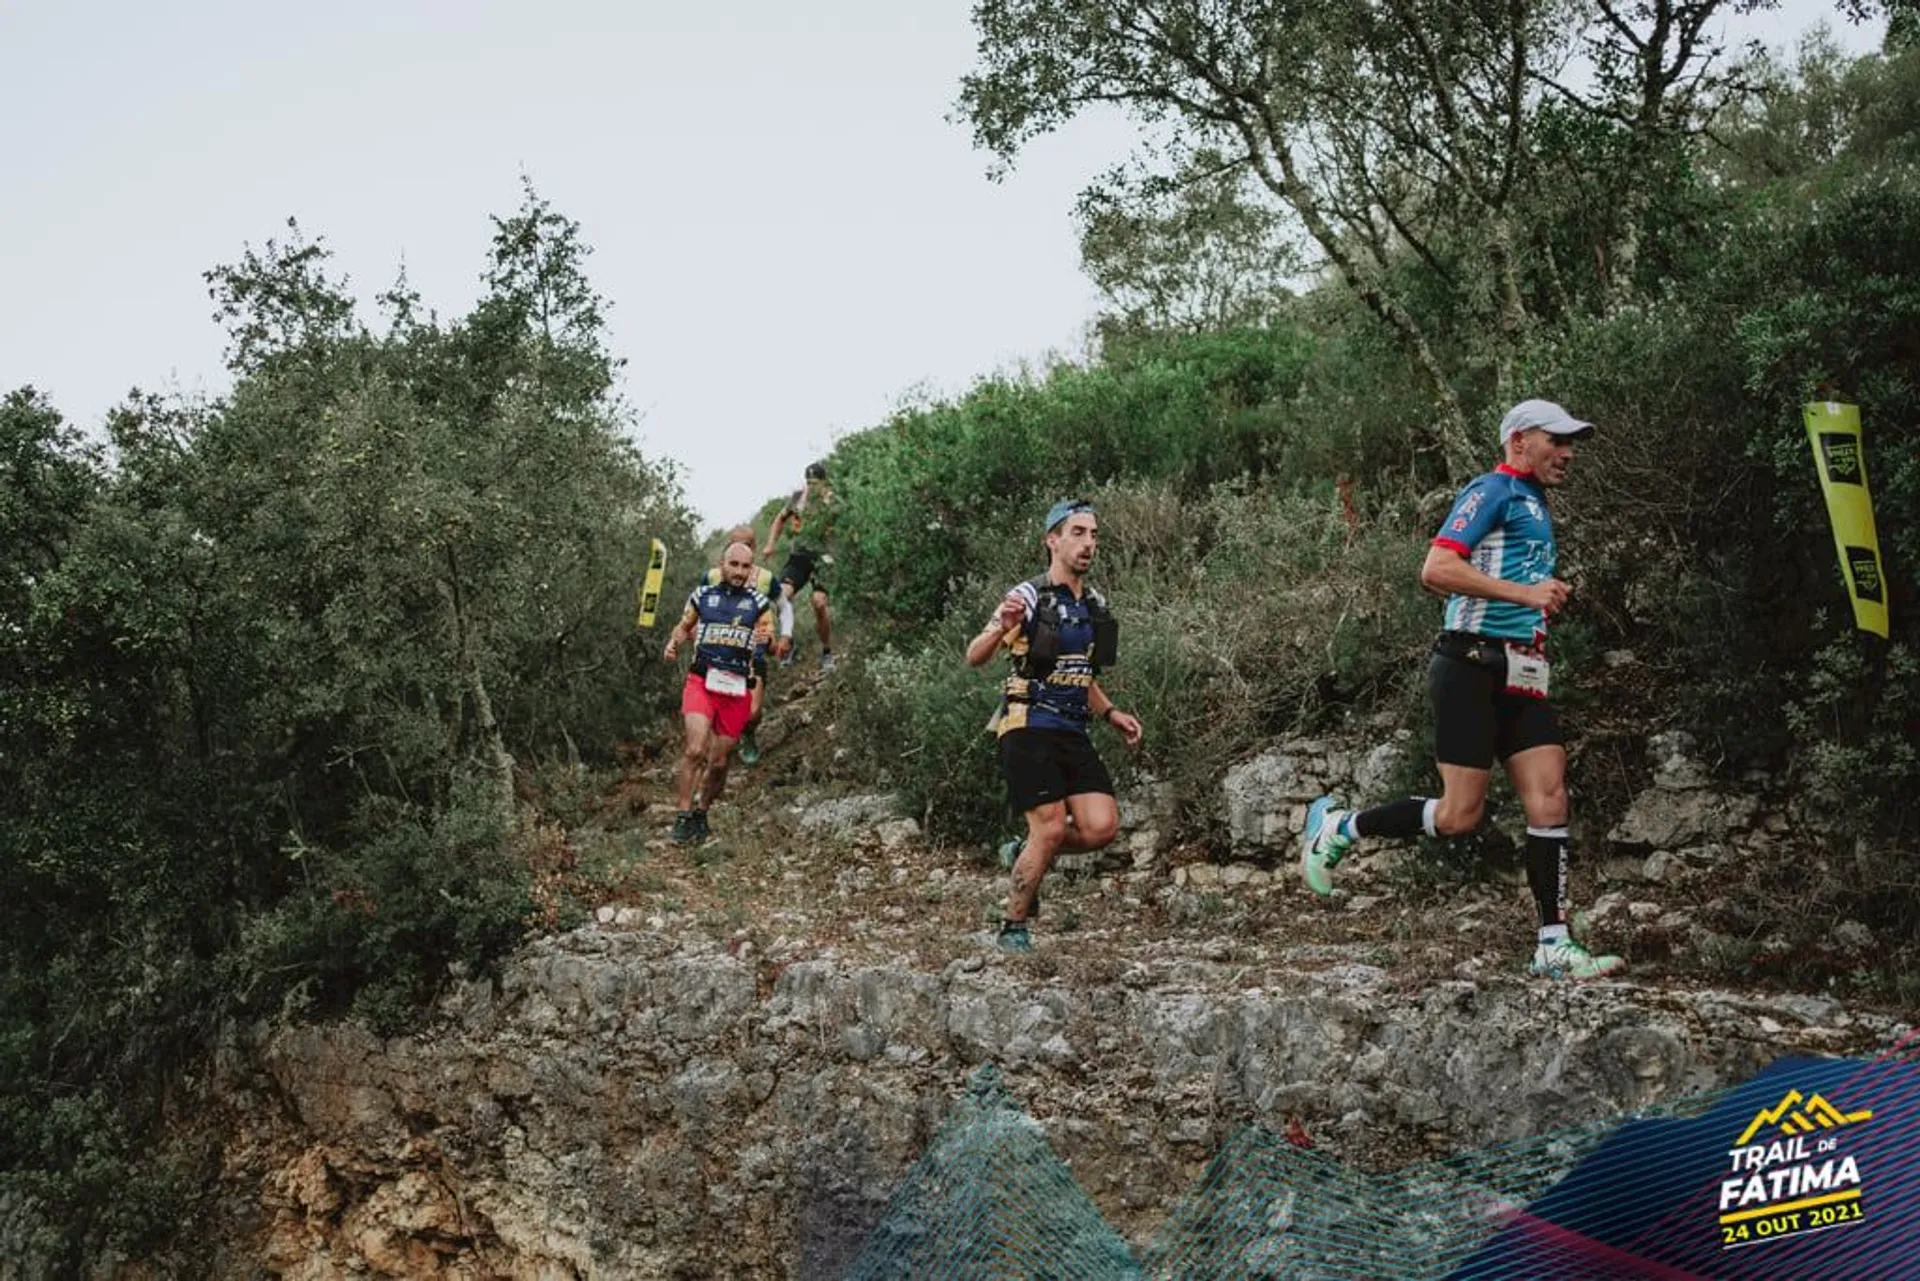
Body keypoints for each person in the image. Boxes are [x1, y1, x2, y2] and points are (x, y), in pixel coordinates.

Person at [1301, 399, 1625, 981]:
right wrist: (1527, 596)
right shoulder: (1492, 490)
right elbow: (1436, 569)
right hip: (1468, 665)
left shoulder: (1536, 502)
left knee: (1551, 799)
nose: (1569, 453)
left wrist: (1539, 605)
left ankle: (1553, 943)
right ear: (1520, 440)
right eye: (1559, 440)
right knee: (1457, 816)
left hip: (1521, 672)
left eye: (1573, 441)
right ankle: (1342, 826)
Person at [966, 498, 1143, 953]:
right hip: (1027, 724)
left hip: (1073, 729)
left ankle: (1023, 853)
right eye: (1078, 533)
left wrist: (1110, 712)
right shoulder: (1027, 597)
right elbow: (974, 657)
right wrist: (998, 628)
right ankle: (1013, 927)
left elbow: (1080, 675)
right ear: (1053, 540)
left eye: (1094, 535)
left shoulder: (1096, 604)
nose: (1089, 544)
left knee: (1102, 827)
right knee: (1047, 829)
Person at [664, 540, 774, 843]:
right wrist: (674, 642)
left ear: (751, 570)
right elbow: (683, 627)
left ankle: (701, 812)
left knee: (720, 763)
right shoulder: (703, 595)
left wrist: (767, 641)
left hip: (736, 688)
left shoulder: (759, 603)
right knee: (695, 749)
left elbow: (772, 645)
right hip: (702, 681)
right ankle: (682, 816)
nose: (739, 572)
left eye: (745, 566)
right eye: (733, 564)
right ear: (721, 565)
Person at [706, 524, 793, 765]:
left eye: (746, 546)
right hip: (720, 651)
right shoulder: (713, 576)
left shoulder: (765, 579)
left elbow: (785, 606)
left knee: (753, 712)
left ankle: (749, 733)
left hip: (755, 652)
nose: (741, 551)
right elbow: (694, 605)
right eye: (735, 545)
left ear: (754, 548)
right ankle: (718, 750)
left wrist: (785, 635)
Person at [764, 461, 838, 672]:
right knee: (781, 596)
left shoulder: (833, 502)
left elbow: (847, 528)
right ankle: (791, 643)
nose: (811, 487)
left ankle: (827, 652)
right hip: (799, 558)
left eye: (815, 483)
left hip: (823, 558)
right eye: (808, 482)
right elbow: (780, 519)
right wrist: (771, 544)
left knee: (819, 603)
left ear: (824, 482)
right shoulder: (797, 498)